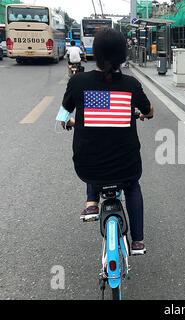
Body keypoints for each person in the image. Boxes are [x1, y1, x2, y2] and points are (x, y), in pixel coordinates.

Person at [58, 28, 154, 255]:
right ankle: (138, 241)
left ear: (96, 53)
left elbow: (63, 116)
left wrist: (73, 122)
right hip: (126, 165)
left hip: (87, 165)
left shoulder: (78, 81)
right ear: (123, 55)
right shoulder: (131, 85)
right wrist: (147, 114)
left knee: (93, 151)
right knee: (132, 187)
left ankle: (91, 202)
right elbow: (148, 110)